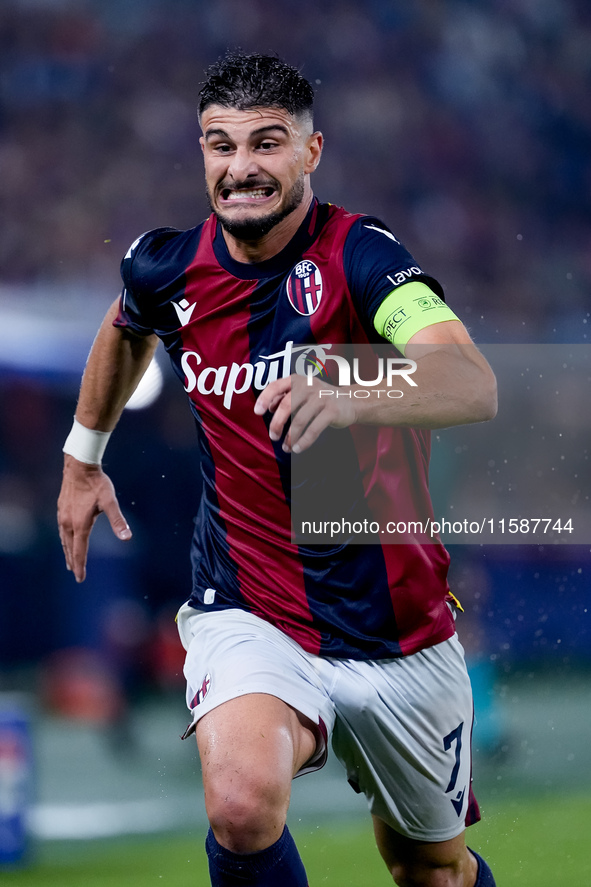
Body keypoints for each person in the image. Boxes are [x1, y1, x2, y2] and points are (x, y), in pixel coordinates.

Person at [57, 52, 498, 887]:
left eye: (266, 144)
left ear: (311, 152)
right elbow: (125, 326)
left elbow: (469, 381)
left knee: (428, 867)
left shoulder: (363, 257)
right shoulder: (167, 266)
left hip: (397, 628)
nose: (241, 169)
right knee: (239, 799)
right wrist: (83, 459)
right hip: (250, 609)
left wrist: (354, 391)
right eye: (220, 146)